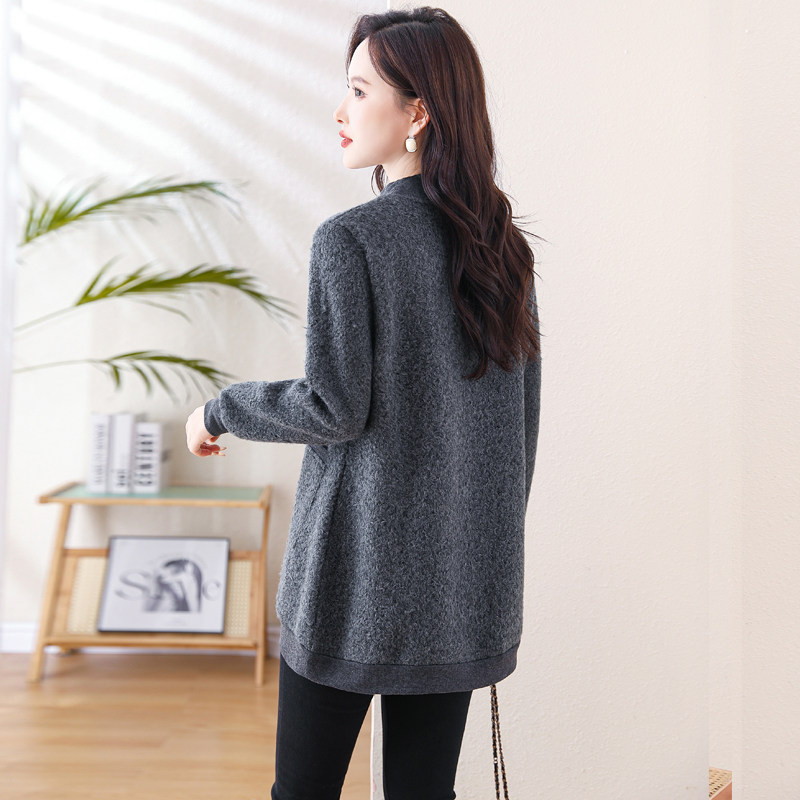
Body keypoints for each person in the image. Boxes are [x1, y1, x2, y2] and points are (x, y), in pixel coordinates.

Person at [185, 7, 542, 799]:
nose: (339, 111)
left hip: (350, 584)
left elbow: (332, 407)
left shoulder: (350, 241)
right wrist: (478, 559)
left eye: (358, 90)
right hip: (457, 588)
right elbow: (521, 436)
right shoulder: (502, 249)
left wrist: (221, 410)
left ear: (418, 113)